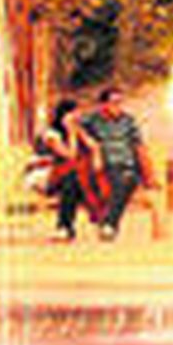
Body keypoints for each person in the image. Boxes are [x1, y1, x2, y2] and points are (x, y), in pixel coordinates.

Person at [78, 86, 155, 241]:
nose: (118, 107)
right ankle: (109, 225)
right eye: (114, 103)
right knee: (123, 180)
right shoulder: (92, 120)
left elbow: (139, 145)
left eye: (120, 103)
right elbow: (73, 124)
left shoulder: (128, 121)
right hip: (107, 165)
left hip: (129, 165)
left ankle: (109, 224)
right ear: (103, 104)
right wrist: (90, 143)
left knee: (128, 179)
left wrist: (149, 173)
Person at [30, 98, 106, 240]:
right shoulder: (51, 134)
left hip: (67, 174)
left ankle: (65, 226)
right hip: (45, 173)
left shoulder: (77, 128)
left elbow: (94, 146)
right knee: (75, 178)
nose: (78, 116)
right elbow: (70, 155)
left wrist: (81, 134)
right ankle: (94, 216)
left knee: (75, 180)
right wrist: (71, 133)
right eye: (74, 113)